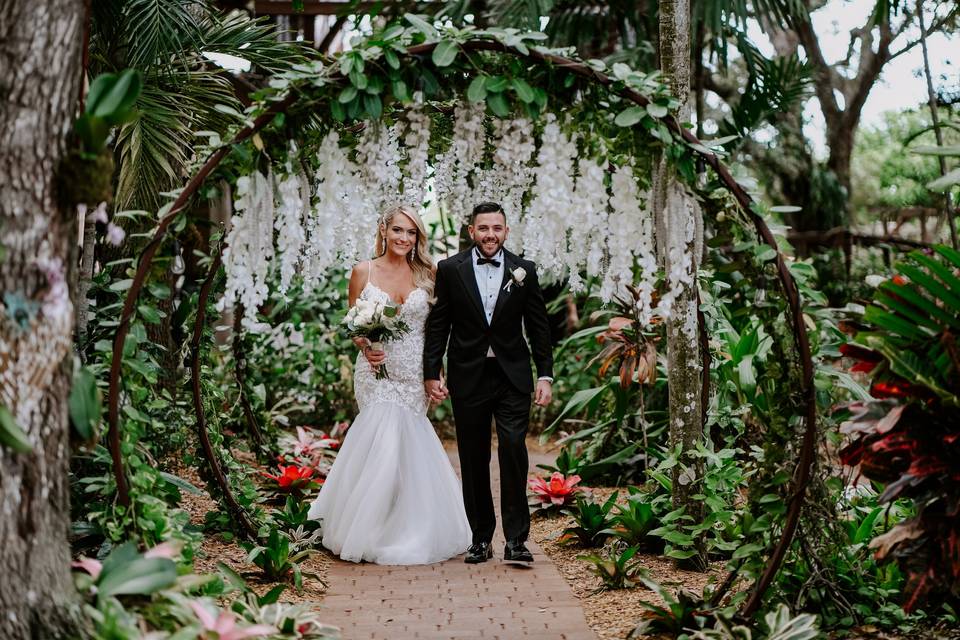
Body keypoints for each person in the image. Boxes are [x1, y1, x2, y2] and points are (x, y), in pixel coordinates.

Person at [308, 205, 471, 564]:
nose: (404, 238)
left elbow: (436, 329)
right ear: (384, 230)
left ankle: (407, 527)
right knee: (381, 440)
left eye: (411, 233)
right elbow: (354, 325)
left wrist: (435, 373)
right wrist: (366, 347)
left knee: (406, 447)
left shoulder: (428, 272)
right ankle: (366, 529)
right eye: (398, 230)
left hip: (414, 372)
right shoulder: (362, 271)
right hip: (375, 372)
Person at [423, 202, 554, 564]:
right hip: (469, 375)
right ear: (471, 231)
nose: (490, 235)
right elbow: (439, 325)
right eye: (484, 228)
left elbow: (539, 327)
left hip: (512, 376)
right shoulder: (450, 270)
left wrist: (545, 374)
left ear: (506, 232)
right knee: (473, 455)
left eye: (497, 228)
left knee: (513, 450)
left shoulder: (524, 270)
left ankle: (516, 540)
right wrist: (431, 372)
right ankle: (480, 537)